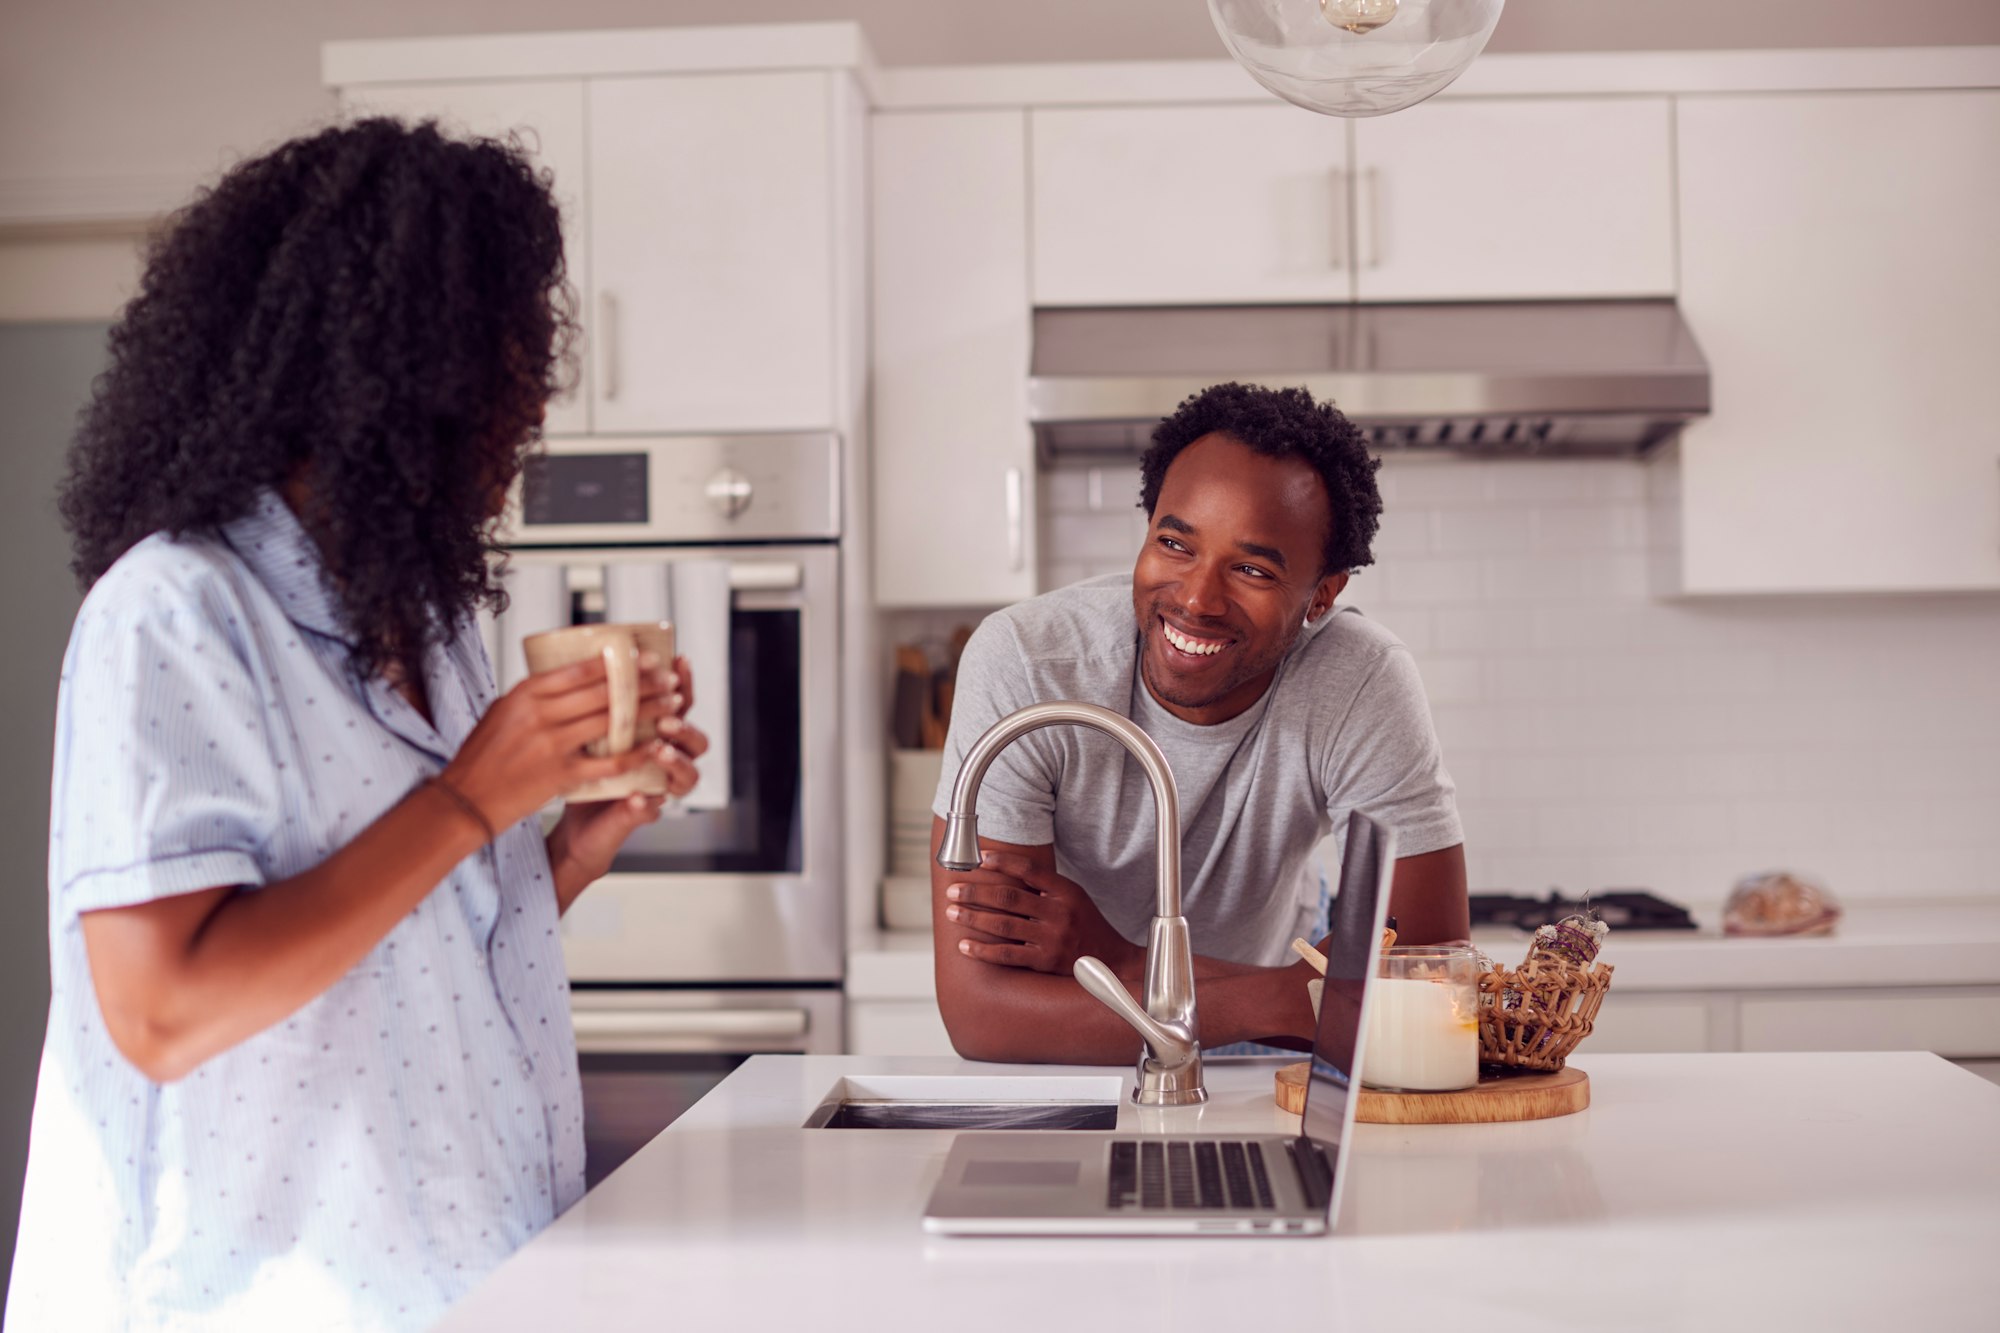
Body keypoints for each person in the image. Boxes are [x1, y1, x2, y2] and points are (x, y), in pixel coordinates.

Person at [6, 119, 709, 1332]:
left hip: (456, 1274)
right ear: (393, 368)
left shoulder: (416, 613)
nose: (532, 399)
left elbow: (405, 950)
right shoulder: (173, 612)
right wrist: (473, 798)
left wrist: (567, 851)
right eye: (505, 358)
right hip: (254, 1300)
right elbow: (164, 1010)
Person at [929, 382, 1467, 1062]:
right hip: (1087, 1044)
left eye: (1250, 568)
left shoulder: (1360, 679)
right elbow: (986, 1017)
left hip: (1250, 1038)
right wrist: (1294, 998)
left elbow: (1430, 983)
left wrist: (1128, 961)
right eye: (1176, 543)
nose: (1196, 599)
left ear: (1322, 595)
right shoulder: (1028, 661)